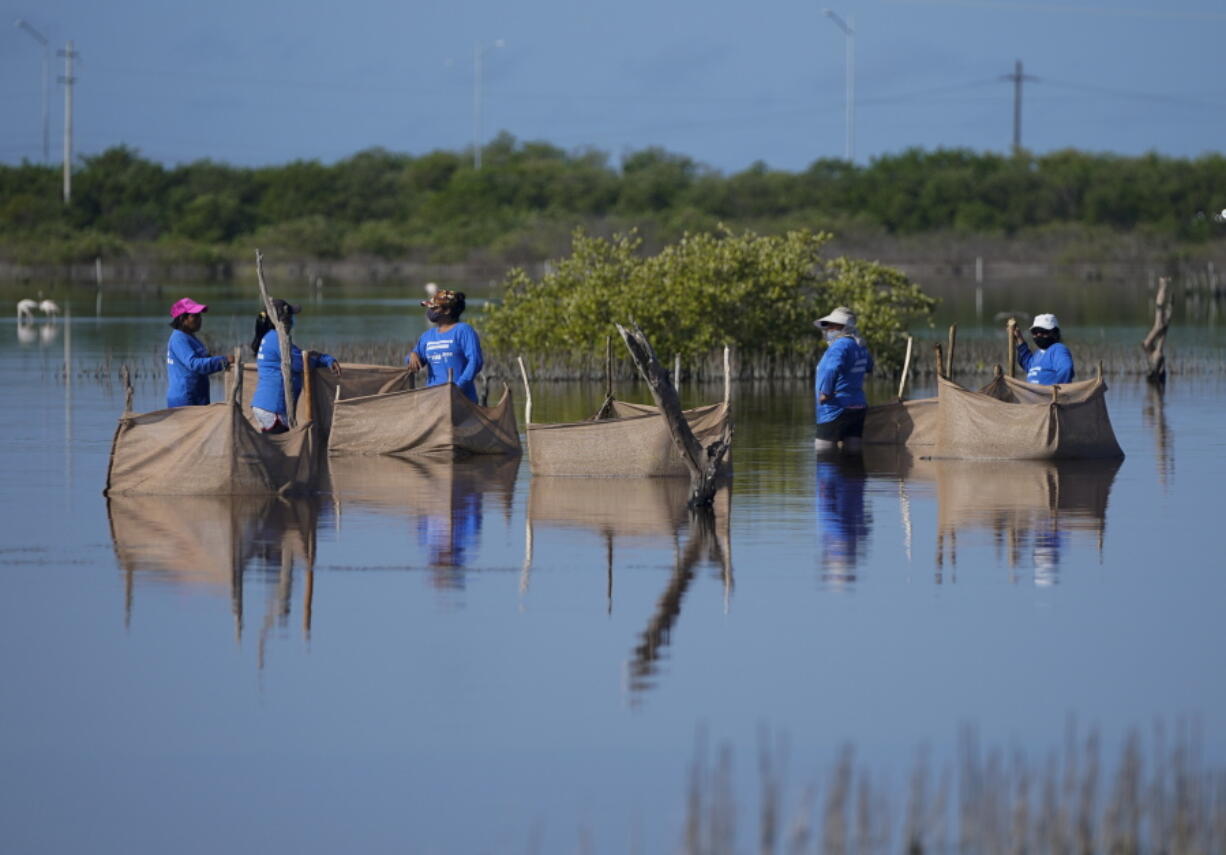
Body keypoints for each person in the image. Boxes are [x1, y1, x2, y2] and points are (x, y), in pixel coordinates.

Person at [250, 299, 340, 433]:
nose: (292, 320)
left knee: (274, 446)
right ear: (283, 319)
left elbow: (298, 356)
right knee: (282, 448)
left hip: (265, 405)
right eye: (290, 316)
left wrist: (311, 356)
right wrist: (324, 358)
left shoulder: (269, 337)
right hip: (273, 407)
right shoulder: (277, 339)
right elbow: (300, 362)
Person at [406, 288, 483, 403]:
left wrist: (457, 387)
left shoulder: (463, 331)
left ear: (447, 311)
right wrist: (412, 355)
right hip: (433, 400)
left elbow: (475, 361)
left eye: (434, 308)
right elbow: (413, 362)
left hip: (461, 400)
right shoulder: (428, 336)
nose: (430, 311)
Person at [813, 306, 874, 453]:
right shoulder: (860, 345)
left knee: (824, 454)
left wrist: (826, 393)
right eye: (826, 326)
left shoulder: (839, 345)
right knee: (854, 455)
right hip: (858, 407)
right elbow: (869, 366)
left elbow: (831, 369)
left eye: (831, 326)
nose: (827, 330)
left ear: (841, 327)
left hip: (835, 408)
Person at [166, 297, 232, 407]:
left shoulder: (190, 337)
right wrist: (223, 361)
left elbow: (204, 361)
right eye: (194, 316)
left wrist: (215, 361)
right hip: (185, 400)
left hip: (196, 397)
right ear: (183, 319)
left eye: (199, 315)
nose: (199, 319)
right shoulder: (179, 339)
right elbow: (194, 364)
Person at [1013, 313, 1075, 385]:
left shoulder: (1058, 349)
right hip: (1033, 395)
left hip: (1050, 395)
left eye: (1043, 331)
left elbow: (1066, 369)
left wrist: (1056, 390)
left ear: (1054, 333)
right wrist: (1019, 338)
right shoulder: (1038, 354)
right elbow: (1027, 363)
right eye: (1035, 332)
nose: (1039, 335)